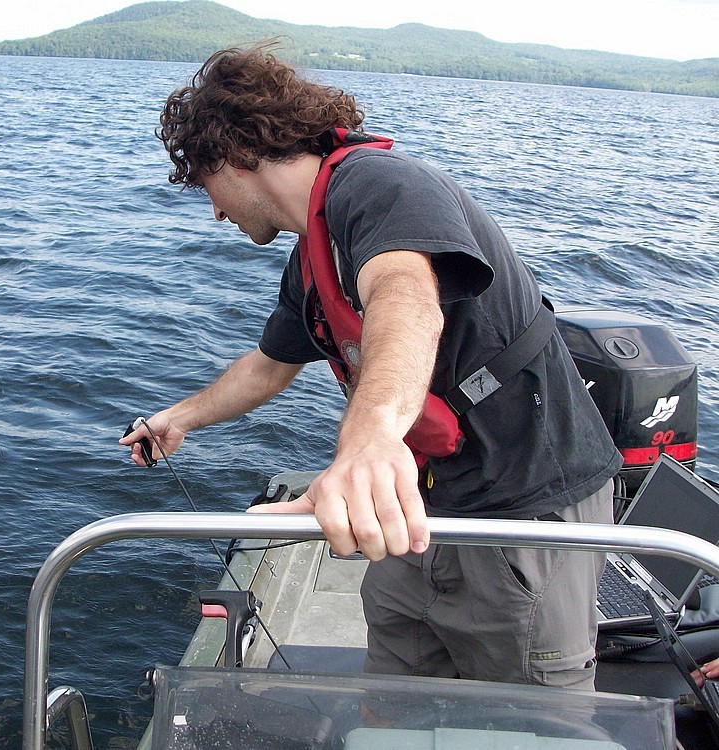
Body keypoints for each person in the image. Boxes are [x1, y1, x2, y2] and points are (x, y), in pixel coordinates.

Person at [121, 43, 622, 689]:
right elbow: (269, 367)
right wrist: (180, 419)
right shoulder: (311, 256)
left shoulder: (382, 186)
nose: (215, 211)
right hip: (419, 506)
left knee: (526, 717)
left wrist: (368, 443)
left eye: (207, 185)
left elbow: (404, 294)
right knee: (395, 691)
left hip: (525, 505)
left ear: (236, 155)